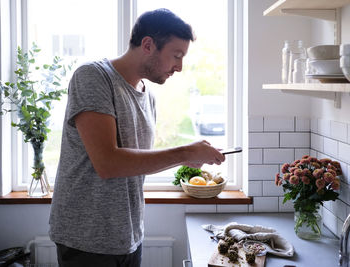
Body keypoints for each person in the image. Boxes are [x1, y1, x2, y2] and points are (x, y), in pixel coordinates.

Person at [49, 8, 225, 267]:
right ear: (147, 45)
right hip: (85, 239)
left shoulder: (148, 96)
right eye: (176, 55)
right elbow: (108, 164)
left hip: (128, 236)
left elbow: (137, 163)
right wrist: (186, 153)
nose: (180, 66)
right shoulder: (92, 76)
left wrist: (192, 157)